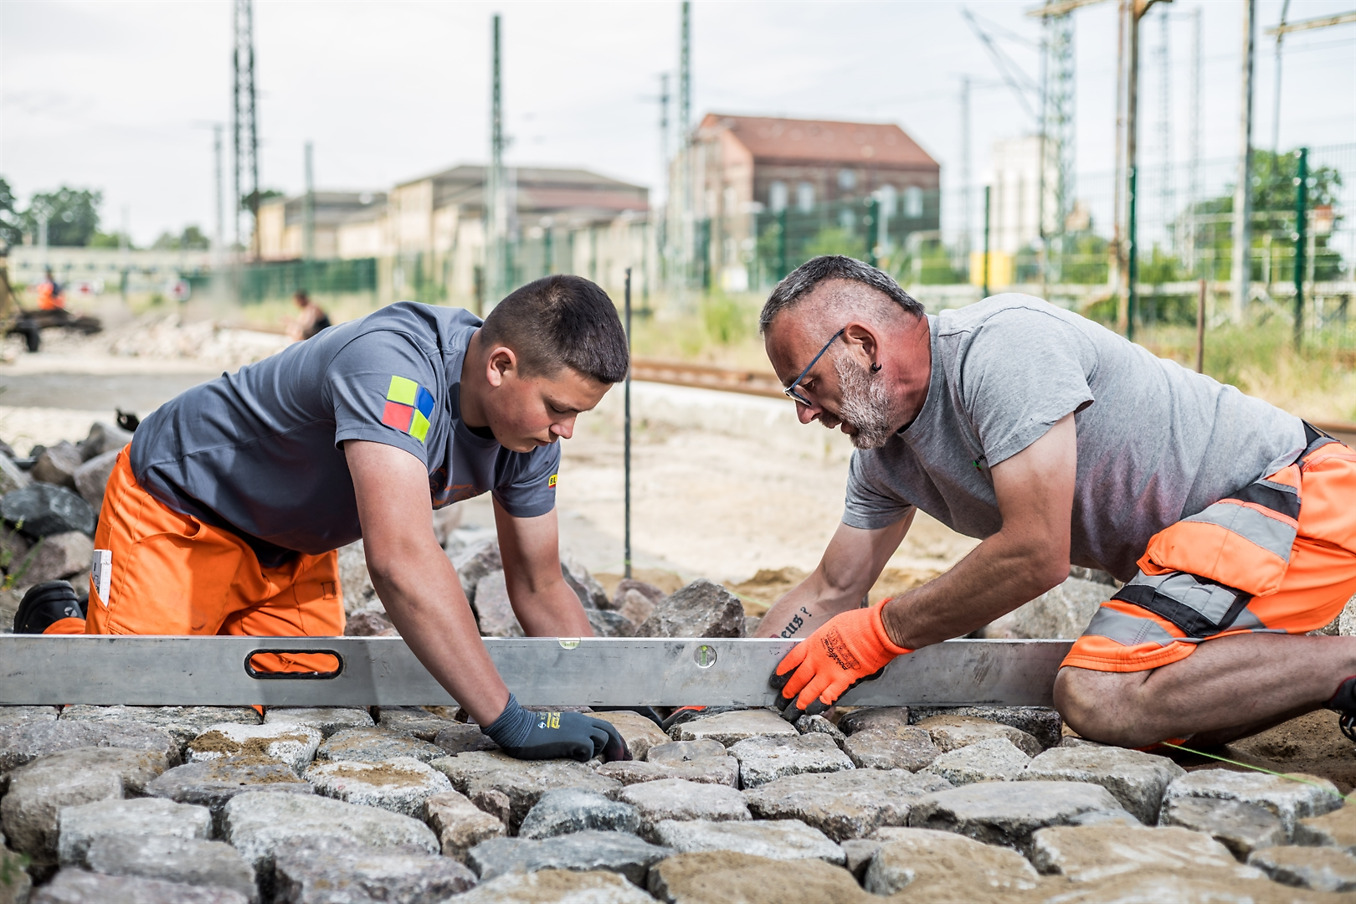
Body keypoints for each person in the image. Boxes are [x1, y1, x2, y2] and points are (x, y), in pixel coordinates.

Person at [17, 274, 631, 763]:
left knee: (290, 699)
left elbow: (539, 585)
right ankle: (58, 625)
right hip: (181, 510)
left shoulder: (531, 435)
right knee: (136, 698)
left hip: (293, 548)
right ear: (500, 365)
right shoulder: (393, 368)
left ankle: (184, 618)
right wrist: (509, 719)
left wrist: (632, 695)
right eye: (557, 408)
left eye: (577, 414)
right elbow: (400, 559)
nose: (565, 431)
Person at [756, 254, 1356, 750]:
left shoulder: (1003, 350)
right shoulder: (884, 457)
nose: (805, 412)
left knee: (1099, 696)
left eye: (807, 384)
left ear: (861, 343)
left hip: (1301, 496)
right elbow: (830, 590)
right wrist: (725, 679)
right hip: (1219, 549)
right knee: (1166, 728)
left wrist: (882, 631)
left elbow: (1036, 555)